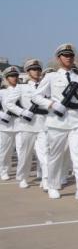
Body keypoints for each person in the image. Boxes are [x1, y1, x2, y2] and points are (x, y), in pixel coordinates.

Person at [33, 44, 78, 205]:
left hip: (76, 120)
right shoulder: (51, 77)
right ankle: (52, 185)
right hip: (57, 121)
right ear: (58, 58)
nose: (68, 57)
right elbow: (36, 97)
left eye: (71, 55)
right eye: (65, 55)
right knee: (55, 156)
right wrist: (51, 104)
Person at [4, 60, 49, 189]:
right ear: (28, 72)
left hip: (42, 125)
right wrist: (22, 112)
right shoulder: (21, 87)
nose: (37, 71)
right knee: (25, 155)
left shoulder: (45, 86)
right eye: (34, 69)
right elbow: (9, 103)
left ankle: (46, 179)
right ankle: (23, 177)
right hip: (26, 126)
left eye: (38, 69)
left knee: (44, 153)